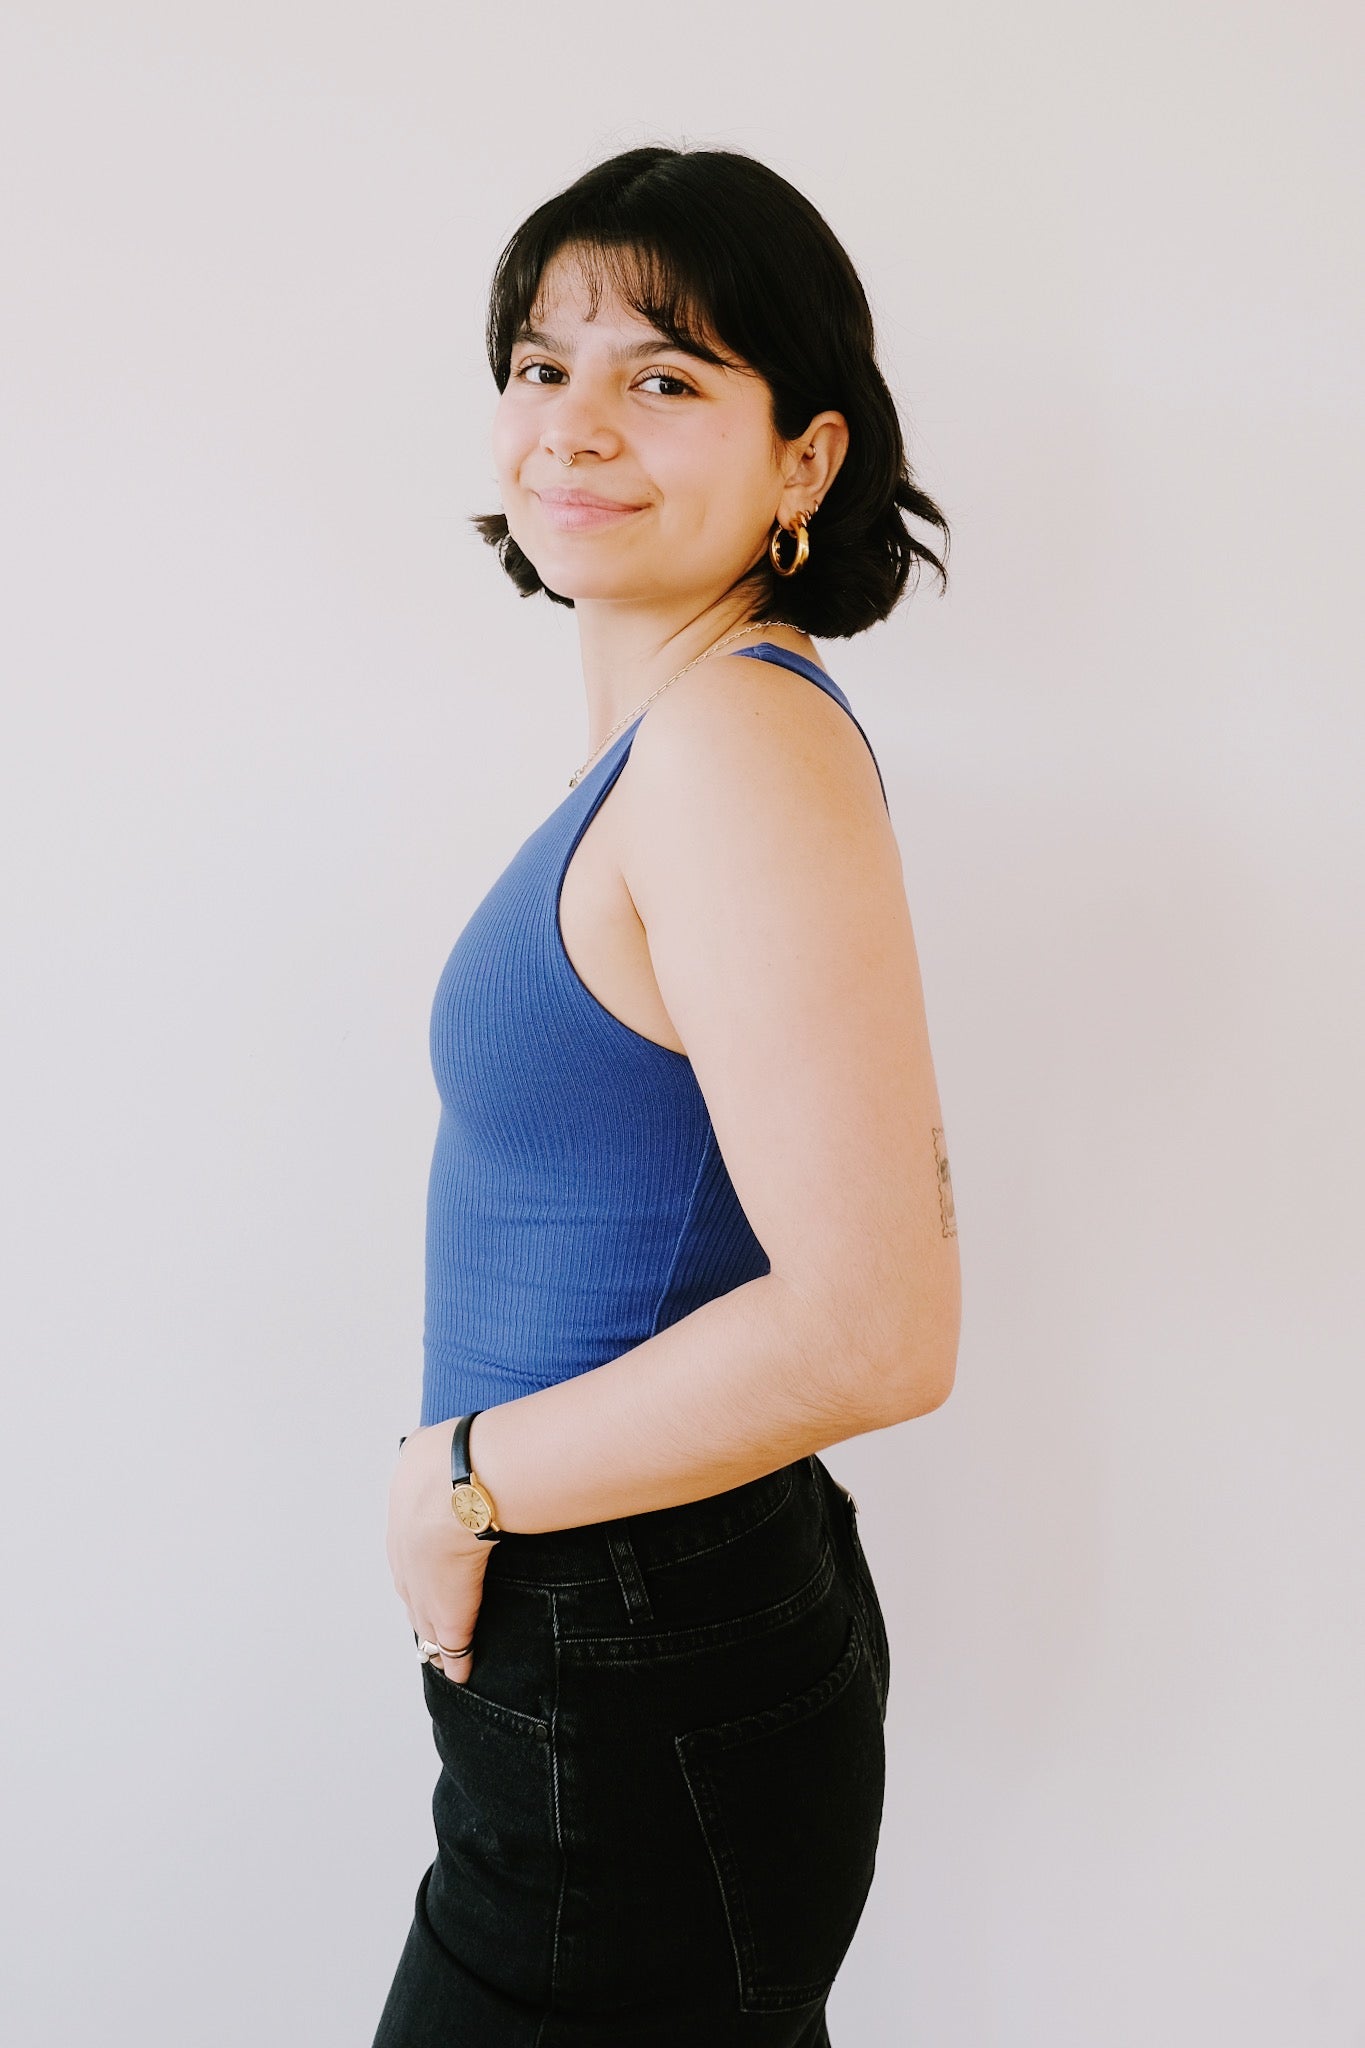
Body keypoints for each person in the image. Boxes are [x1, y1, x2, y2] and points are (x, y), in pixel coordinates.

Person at [372, 143, 961, 2048]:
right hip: (633, 1622)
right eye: (542, 366)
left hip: (640, 1632)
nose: (574, 423)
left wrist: (461, 1480)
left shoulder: (733, 750)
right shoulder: (677, 745)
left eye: (665, 376)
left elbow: (878, 1329)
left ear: (806, 456)